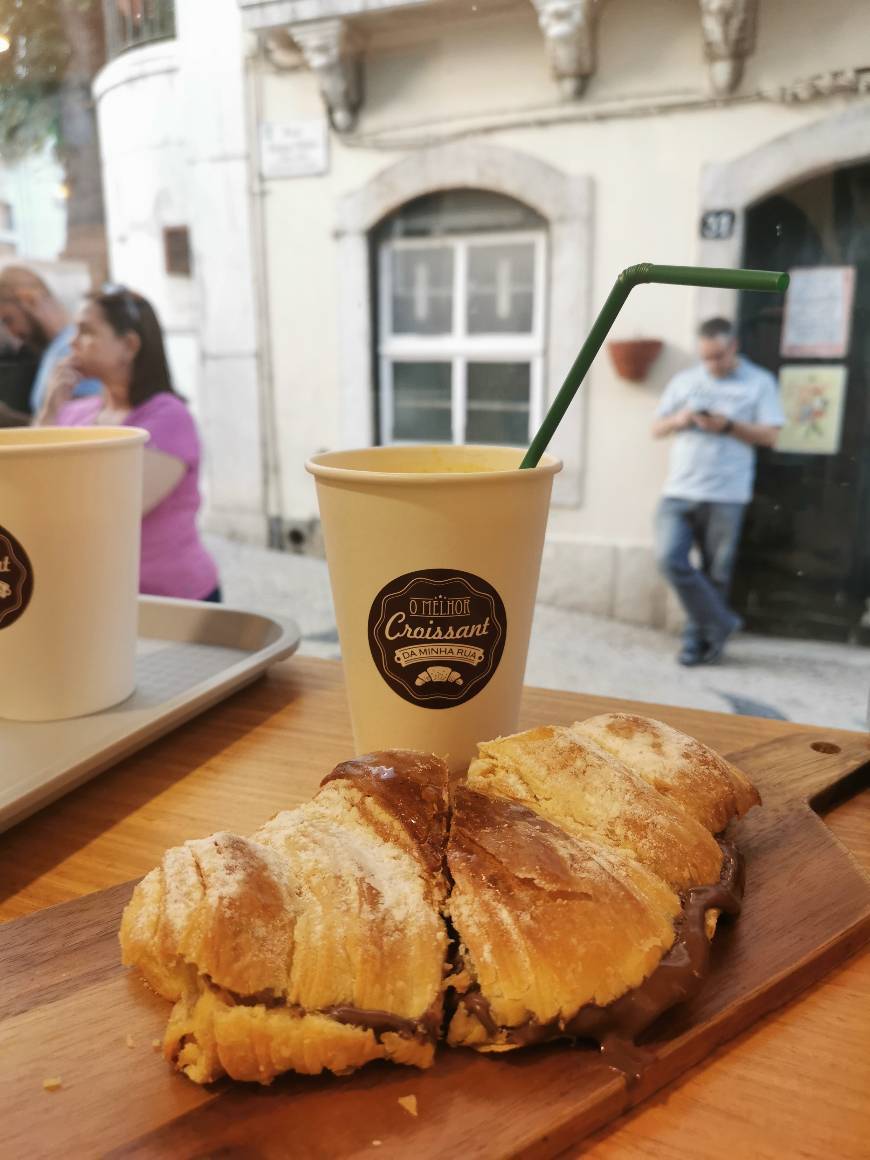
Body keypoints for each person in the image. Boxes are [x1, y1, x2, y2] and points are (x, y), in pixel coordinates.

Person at [37, 285, 221, 602]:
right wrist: (50, 408)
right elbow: (30, 483)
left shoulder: (168, 417)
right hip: (98, 595)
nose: (72, 343)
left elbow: (113, 511)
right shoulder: (74, 413)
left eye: (86, 331)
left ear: (129, 345)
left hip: (171, 598)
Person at [652, 317, 784, 666]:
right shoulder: (685, 381)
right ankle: (722, 622)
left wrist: (727, 425)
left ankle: (699, 643)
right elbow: (656, 427)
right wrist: (679, 420)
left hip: (727, 493)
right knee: (669, 559)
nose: (711, 364)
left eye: (718, 357)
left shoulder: (759, 382)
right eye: (706, 357)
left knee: (717, 574)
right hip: (679, 488)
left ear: (733, 347)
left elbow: (771, 435)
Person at [0, 265, 102, 425]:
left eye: (9, 319)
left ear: (29, 300)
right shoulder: (54, 351)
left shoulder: (73, 349)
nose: (13, 332)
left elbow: (84, 424)